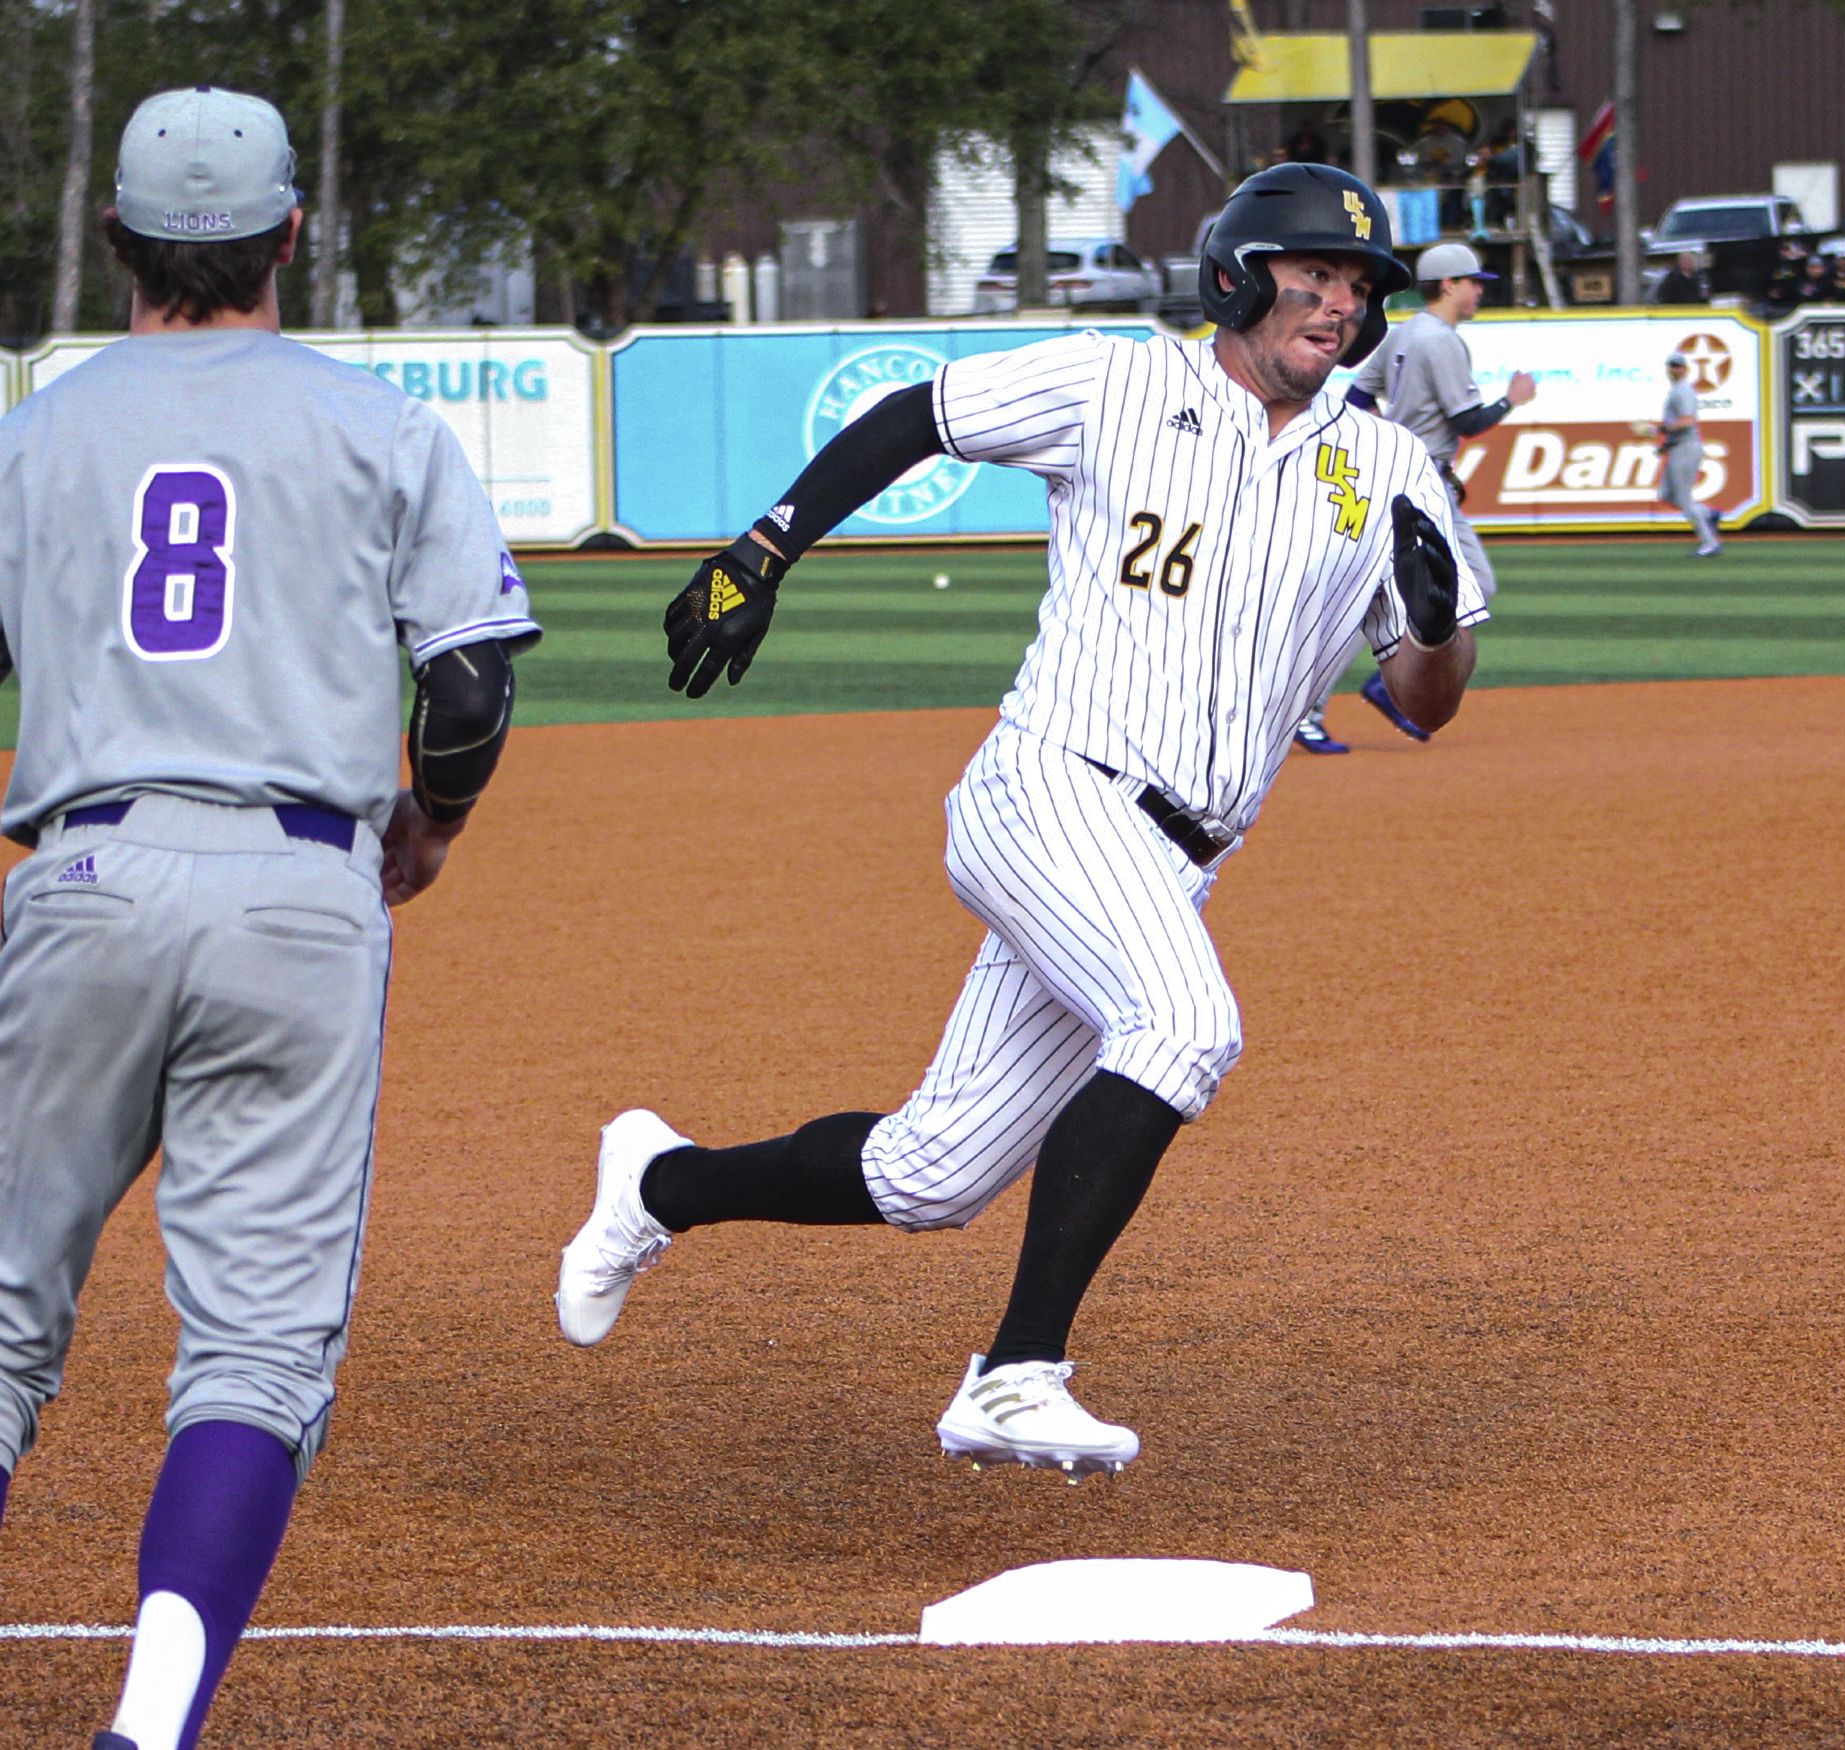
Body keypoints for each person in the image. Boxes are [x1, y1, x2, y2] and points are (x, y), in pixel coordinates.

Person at [554, 163, 1484, 1479]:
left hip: (1174, 857)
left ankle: (659, 1183)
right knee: (1183, 1024)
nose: (1340, 302)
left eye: (1360, 285)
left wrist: (1434, 626)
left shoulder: (1385, 466)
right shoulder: (1117, 385)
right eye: (1314, 273)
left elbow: (1426, 701)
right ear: (1237, 274)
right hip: (1048, 785)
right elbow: (917, 413)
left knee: (929, 1174)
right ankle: (1016, 1373)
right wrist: (764, 550)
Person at [0, 87, 534, 1749]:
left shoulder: (34, 433)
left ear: (116, 237)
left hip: (81, 874)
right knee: (252, 1355)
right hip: (304, 892)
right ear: (291, 232)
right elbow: (467, 683)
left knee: (4, 1322)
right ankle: (151, 1725)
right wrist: (433, 824)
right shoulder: (382, 427)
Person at [1336, 239, 1532, 741]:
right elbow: (1469, 420)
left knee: (1472, 586)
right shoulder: (1441, 340)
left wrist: (1389, 439)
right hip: (1420, 480)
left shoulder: (1403, 333)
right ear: (1448, 284)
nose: (1479, 292)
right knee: (1409, 594)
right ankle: (1346, 697)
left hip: (1412, 474)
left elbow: (1357, 396)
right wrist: (1511, 400)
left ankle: (1387, 684)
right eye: (1473, 283)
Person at [1632, 351, 1724, 557]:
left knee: (1683, 499)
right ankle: (1708, 514)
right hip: (1678, 447)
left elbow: (1687, 421)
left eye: (1678, 366)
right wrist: (1665, 445)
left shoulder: (1683, 390)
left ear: (1685, 369)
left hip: (1686, 448)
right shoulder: (1676, 390)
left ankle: (1709, 543)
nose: (1675, 369)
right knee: (1666, 495)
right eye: (1672, 366)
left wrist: (1658, 430)